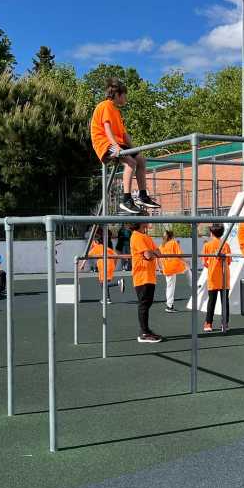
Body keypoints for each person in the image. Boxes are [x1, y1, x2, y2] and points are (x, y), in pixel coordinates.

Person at [89, 77, 161, 214]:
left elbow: (124, 134)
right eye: (125, 95)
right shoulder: (105, 105)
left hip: (118, 142)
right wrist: (115, 146)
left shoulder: (116, 111)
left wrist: (136, 150)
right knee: (130, 162)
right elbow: (107, 128)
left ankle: (143, 196)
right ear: (117, 94)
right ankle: (126, 200)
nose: (126, 98)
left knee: (141, 159)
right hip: (104, 143)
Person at [129, 218, 162, 343]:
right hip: (141, 275)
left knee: (147, 303)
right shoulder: (136, 236)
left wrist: (151, 253)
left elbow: (158, 252)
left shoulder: (146, 237)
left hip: (149, 275)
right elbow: (148, 255)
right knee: (144, 303)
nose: (148, 221)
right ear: (141, 222)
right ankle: (144, 333)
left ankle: (146, 330)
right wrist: (152, 253)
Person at [201, 224, 231, 333]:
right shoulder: (226, 245)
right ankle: (225, 324)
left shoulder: (207, 245)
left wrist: (212, 265)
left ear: (212, 233)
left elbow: (204, 262)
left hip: (213, 276)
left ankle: (208, 324)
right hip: (224, 276)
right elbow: (229, 261)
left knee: (211, 301)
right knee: (225, 302)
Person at [83, 229, 124, 304]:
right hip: (109, 266)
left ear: (96, 242)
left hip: (104, 266)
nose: (91, 244)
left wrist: (82, 265)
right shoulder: (105, 247)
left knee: (103, 283)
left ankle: (118, 283)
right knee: (103, 282)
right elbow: (116, 255)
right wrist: (114, 264)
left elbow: (86, 256)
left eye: (93, 242)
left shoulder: (96, 248)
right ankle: (107, 298)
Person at [159, 229, 188, 313]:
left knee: (169, 286)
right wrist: (186, 261)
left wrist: (160, 267)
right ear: (172, 236)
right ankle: (169, 305)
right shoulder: (173, 243)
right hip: (172, 267)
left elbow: (159, 257)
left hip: (167, 268)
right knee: (171, 287)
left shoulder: (162, 245)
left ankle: (169, 305)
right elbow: (179, 254)